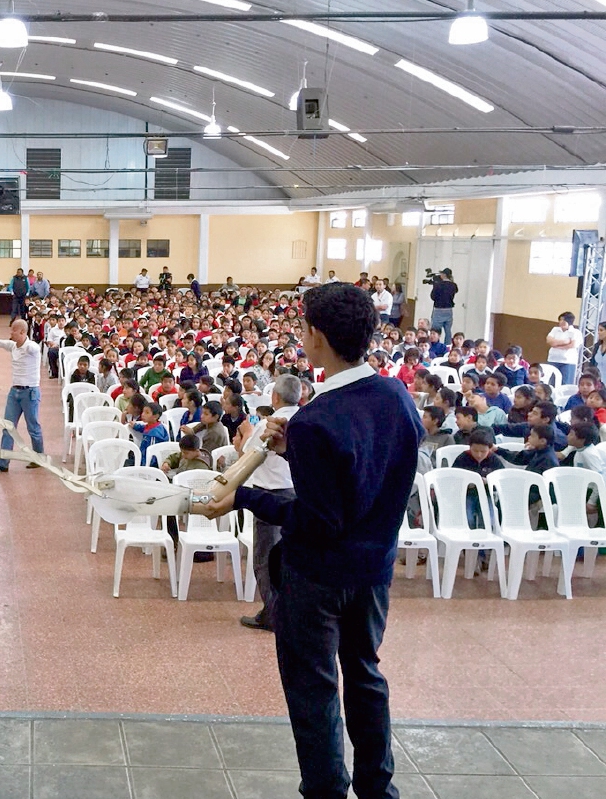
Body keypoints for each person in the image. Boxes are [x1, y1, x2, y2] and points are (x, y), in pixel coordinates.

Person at [204, 282, 423, 799]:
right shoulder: (396, 398)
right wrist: (292, 446)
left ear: (316, 336)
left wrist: (245, 499)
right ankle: (377, 788)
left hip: (319, 578)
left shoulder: (319, 419)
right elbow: (367, 479)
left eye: (303, 328)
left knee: (315, 687)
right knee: (365, 676)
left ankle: (325, 789)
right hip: (373, 572)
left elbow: (315, 520)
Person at [233, 374, 301, 632]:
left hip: (270, 495)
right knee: (290, 556)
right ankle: (289, 609)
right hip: (296, 493)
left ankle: (272, 614)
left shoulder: (269, 424)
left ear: (275, 397)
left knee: (265, 557)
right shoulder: (306, 420)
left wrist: (247, 432)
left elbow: (245, 454)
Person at [0, 318, 44, 473]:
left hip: (30, 392)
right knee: (8, 427)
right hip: (14, 392)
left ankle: (39, 458)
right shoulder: (13, 346)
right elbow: (0, 342)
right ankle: (3, 462)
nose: (10, 333)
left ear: (23, 332)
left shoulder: (32, 348)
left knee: (33, 427)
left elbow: (34, 348)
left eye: (14, 330)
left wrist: (26, 344)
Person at [546, 311, 582, 386]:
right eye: (560, 320)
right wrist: (565, 341)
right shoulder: (555, 329)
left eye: (563, 320)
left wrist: (557, 345)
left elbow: (573, 345)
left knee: (565, 384)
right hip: (553, 359)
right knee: (552, 383)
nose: (561, 322)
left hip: (568, 361)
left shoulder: (576, 332)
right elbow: (549, 341)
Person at [429, 268, 458, 344]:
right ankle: (448, 346)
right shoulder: (453, 285)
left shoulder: (438, 284)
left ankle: (435, 344)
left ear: (444, 275)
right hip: (449, 309)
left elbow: (433, 297)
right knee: (448, 331)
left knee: (436, 330)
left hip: (439, 309)